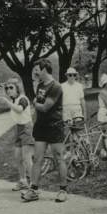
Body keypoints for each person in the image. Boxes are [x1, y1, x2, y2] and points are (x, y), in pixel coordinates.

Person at [21, 59, 69, 203]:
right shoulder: (40, 85)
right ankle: (34, 190)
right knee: (37, 159)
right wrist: (36, 108)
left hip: (54, 127)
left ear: (44, 69)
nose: (34, 72)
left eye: (36, 69)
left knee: (59, 158)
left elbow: (44, 107)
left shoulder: (56, 87)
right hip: (41, 127)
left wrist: (35, 103)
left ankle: (63, 190)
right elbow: (39, 106)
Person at [0, 79, 34, 191]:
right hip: (18, 128)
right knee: (18, 157)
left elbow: (19, 110)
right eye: (7, 88)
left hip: (26, 129)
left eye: (11, 88)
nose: (9, 90)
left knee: (26, 158)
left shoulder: (22, 99)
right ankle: (23, 181)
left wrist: (7, 102)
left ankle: (33, 184)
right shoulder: (14, 100)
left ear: (17, 88)